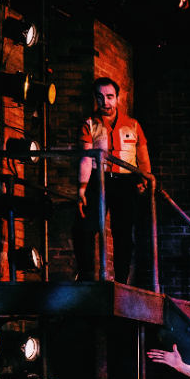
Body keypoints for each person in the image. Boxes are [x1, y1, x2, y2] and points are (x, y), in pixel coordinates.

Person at [76, 77, 154, 284]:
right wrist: (81, 190)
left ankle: (121, 283)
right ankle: (85, 278)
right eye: (100, 97)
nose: (106, 103)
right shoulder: (89, 125)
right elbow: (85, 158)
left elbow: (143, 158)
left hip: (125, 183)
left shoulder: (134, 125)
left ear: (118, 98)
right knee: (83, 228)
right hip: (97, 181)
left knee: (123, 235)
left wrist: (144, 179)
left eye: (110, 97)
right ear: (96, 98)